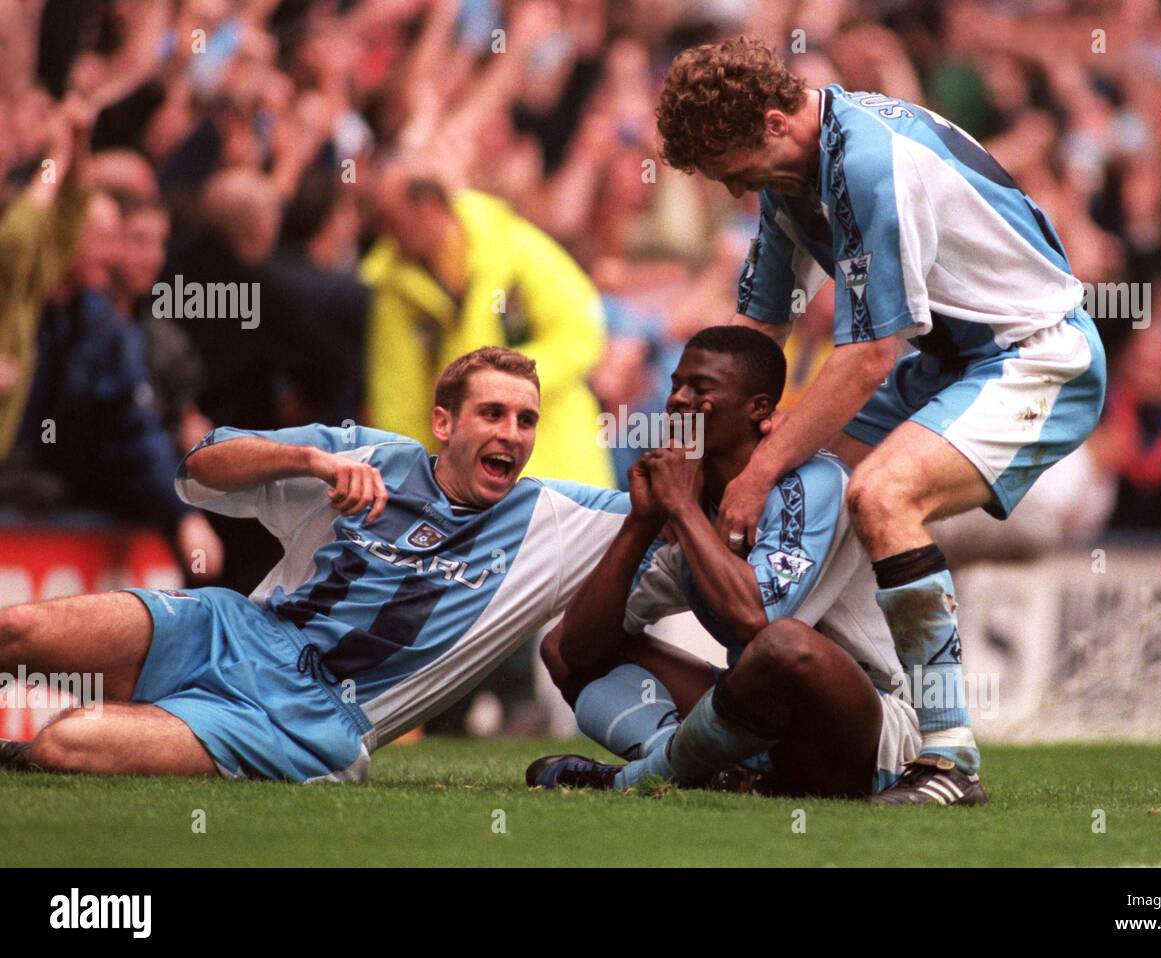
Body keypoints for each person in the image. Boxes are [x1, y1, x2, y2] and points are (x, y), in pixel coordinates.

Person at [654, 37, 1106, 804]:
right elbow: (755, 339)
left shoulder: (868, 163)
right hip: (950, 364)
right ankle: (832, 709)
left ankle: (949, 758)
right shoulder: (793, 172)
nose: (734, 192)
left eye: (732, 170)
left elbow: (865, 358)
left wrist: (756, 473)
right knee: (815, 480)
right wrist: (703, 454)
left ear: (771, 121)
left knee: (882, 496)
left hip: (1035, 357)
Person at [0, 347, 631, 781]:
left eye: (526, 420)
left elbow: (664, 511)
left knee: (66, 743)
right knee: (17, 630)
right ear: (444, 422)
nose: (512, 433)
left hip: (308, 717)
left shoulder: (551, 518)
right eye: (492, 414)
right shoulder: (372, 456)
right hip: (235, 629)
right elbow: (199, 465)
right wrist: (311, 461)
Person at [527, 326, 935, 801]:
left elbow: (755, 620)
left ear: (758, 408)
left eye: (701, 389)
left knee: (783, 646)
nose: (678, 400)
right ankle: (692, 763)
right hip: (758, 719)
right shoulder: (689, 498)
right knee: (561, 649)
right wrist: (641, 523)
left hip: (869, 730)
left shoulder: (814, 482)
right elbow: (574, 649)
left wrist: (680, 508)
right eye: (676, 384)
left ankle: (646, 776)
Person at [363, 166, 614, 488]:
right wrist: (413, 483)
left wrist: (502, 386)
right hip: (468, 480)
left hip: (560, 463)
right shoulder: (393, 285)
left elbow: (580, 333)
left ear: (428, 207)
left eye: (391, 219)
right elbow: (396, 397)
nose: (384, 233)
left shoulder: (514, 246)